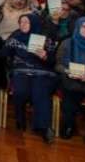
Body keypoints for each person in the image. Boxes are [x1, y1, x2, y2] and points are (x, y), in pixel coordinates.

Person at [5, 13, 58, 142]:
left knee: (40, 92)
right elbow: (4, 53)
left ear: (34, 23)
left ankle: (43, 127)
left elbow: (53, 60)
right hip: (21, 70)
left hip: (42, 72)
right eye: (21, 22)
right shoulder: (15, 37)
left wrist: (45, 56)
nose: (23, 25)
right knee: (21, 91)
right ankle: (20, 117)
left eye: (26, 22)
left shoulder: (45, 39)